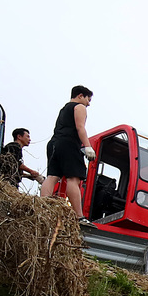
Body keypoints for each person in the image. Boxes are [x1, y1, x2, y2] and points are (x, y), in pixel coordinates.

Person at [41, 85, 95, 219]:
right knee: (74, 178)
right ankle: (79, 216)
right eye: (88, 99)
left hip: (54, 143)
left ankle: (42, 207)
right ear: (80, 96)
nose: (88, 104)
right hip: (69, 144)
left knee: (52, 176)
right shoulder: (79, 107)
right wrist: (88, 146)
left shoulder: (64, 109)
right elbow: (80, 127)